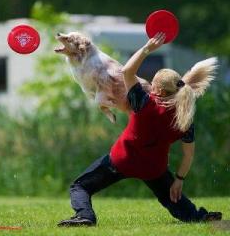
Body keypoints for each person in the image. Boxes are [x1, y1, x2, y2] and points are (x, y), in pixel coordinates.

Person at [57, 32, 222, 227]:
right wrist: (179, 179)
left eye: (153, 84)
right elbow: (188, 155)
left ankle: (85, 216)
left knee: (80, 186)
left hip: (122, 160)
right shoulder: (184, 118)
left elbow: (127, 71)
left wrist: (147, 49)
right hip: (154, 168)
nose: (149, 86)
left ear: (158, 91)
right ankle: (198, 216)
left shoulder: (144, 102)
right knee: (174, 199)